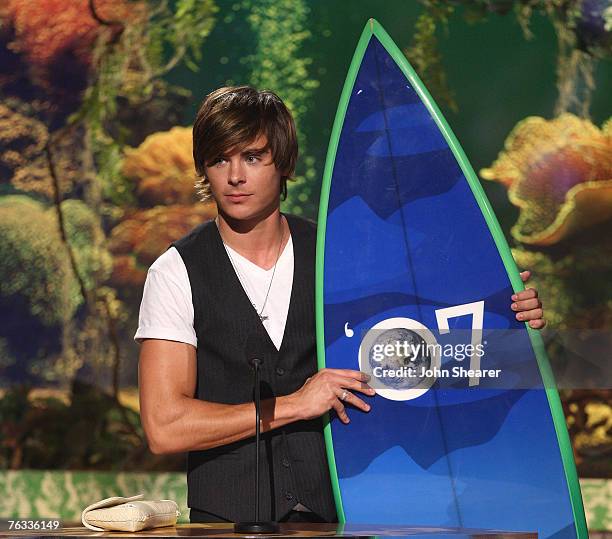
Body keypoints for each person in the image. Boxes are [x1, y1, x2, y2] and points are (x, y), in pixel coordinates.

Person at [135, 86, 546, 524]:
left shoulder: (345, 258)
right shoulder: (176, 272)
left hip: (346, 514)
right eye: (220, 160)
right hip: (227, 524)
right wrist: (295, 404)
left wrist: (507, 315)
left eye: (253, 157)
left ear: (285, 162)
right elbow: (165, 426)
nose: (235, 176)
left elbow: (427, 352)